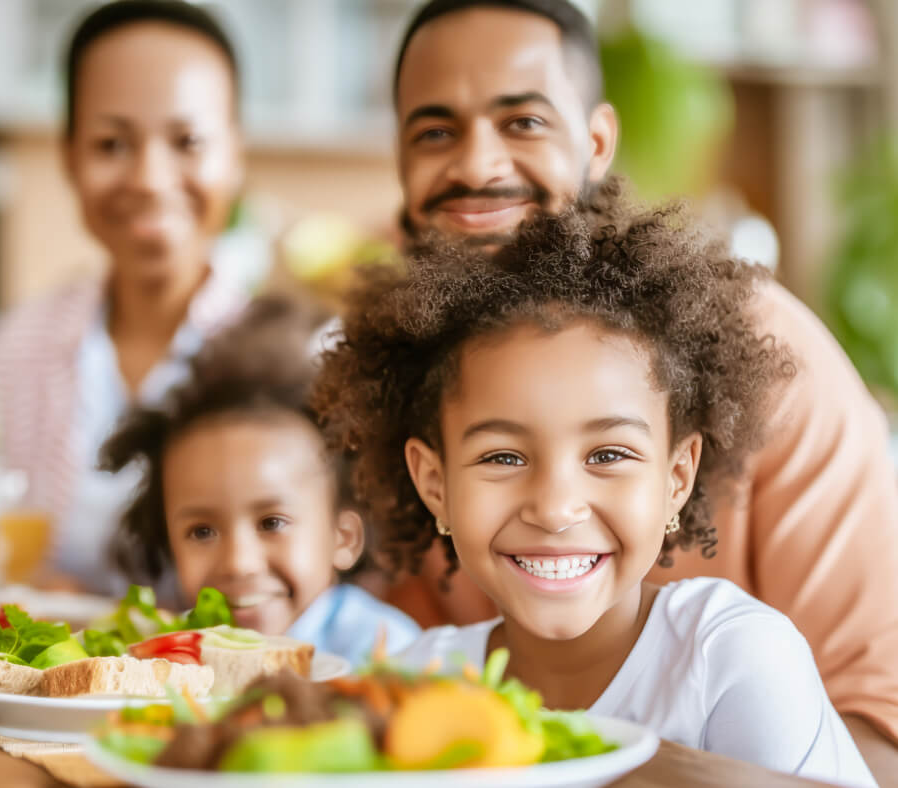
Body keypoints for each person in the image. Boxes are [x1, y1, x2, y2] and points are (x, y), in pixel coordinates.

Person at [383, 0, 898, 775]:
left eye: (521, 122)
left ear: (595, 141)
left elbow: (882, 726)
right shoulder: (391, 376)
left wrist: (595, 764)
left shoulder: (761, 355)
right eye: (434, 131)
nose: (478, 165)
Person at [313, 204, 875, 785]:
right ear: (436, 484)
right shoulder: (413, 686)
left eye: (608, 456)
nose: (555, 509)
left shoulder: (729, 656)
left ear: (676, 478)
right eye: (503, 457)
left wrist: (636, 762)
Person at [0, 1, 248, 595]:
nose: (150, 179)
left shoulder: (287, 357)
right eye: (111, 144)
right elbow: (21, 551)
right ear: (69, 154)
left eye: (187, 140)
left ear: (234, 154)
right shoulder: (22, 344)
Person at [100, 296, 420, 666]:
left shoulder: (390, 656)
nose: (238, 563)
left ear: (343, 537)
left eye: (272, 523)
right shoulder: (168, 657)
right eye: (201, 531)